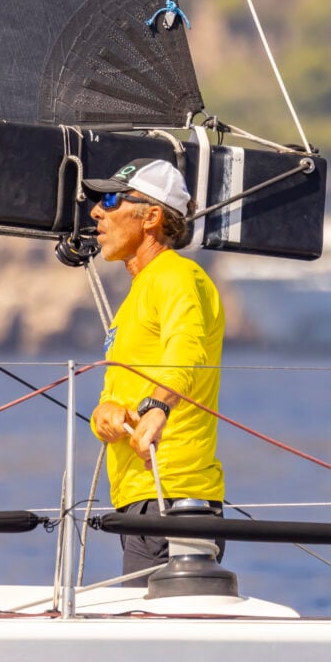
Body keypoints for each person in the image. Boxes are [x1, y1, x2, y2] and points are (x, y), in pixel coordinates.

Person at [83, 158, 225, 585]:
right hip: (141, 498)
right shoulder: (138, 292)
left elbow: (187, 350)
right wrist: (104, 416)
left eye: (110, 200)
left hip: (173, 495)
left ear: (152, 216)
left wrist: (156, 407)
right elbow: (122, 387)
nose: (96, 212)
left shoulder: (177, 275)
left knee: (157, 639)